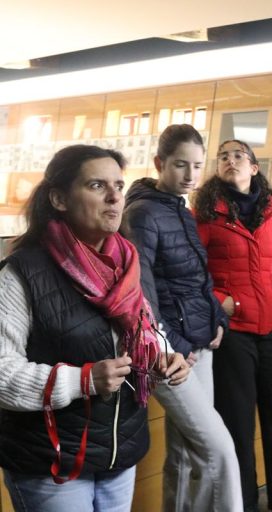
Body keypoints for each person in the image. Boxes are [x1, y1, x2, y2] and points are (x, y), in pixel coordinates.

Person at [0, 145, 189, 512]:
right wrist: (82, 380)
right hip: (53, 463)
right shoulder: (22, 273)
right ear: (59, 198)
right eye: (97, 185)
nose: (115, 197)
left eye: (119, 185)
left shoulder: (127, 262)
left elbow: (145, 329)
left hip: (120, 453)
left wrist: (162, 355)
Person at [193, 139, 272, 512]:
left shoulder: (270, 212)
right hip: (233, 332)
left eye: (239, 155)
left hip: (271, 328)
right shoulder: (205, 214)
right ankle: (243, 503)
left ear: (254, 168)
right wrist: (222, 302)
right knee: (237, 424)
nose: (231, 160)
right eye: (223, 156)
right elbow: (192, 272)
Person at [121, 124, 242, 512]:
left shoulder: (182, 210)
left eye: (197, 166)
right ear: (159, 163)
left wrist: (217, 320)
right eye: (180, 165)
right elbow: (142, 291)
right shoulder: (142, 213)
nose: (190, 175)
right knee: (218, 448)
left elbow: (197, 280)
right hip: (170, 353)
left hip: (198, 344)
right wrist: (173, 345)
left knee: (186, 453)